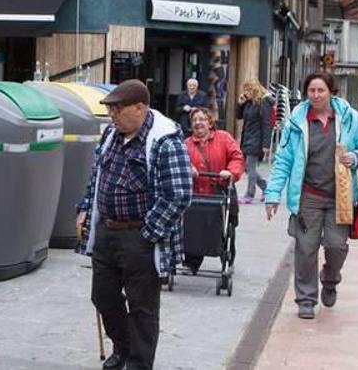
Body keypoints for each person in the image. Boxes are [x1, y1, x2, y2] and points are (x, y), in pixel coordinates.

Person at [76, 80, 192, 370]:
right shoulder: (111, 135)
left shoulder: (165, 139)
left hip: (139, 235)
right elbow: (97, 177)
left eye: (117, 109)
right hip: (106, 231)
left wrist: (147, 233)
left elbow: (178, 195)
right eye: (110, 109)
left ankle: (139, 363)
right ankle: (124, 347)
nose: (112, 115)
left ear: (140, 107)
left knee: (142, 308)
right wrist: (85, 211)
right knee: (102, 296)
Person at [264, 72, 358, 320]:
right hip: (308, 196)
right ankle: (306, 299)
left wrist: (355, 157)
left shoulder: (348, 117)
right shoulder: (297, 122)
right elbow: (283, 160)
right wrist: (272, 194)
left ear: (331, 92)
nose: (316, 95)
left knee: (336, 246)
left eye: (320, 90)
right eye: (311, 91)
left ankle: (330, 277)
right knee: (305, 248)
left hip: (341, 196)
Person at [182, 107, 243, 274]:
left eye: (201, 119)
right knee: (193, 227)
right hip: (196, 195)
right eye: (194, 120)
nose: (198, 123)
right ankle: (191, 262)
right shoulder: (186, 144)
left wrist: (230, 172)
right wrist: (188, 167)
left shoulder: (224, 138)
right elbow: (179, 161)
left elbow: (236, 157)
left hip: (220, 191)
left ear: (210, 122)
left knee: (225, 227)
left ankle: (227, 259)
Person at [237, 80, 272, 204]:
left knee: (250, 167)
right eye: (245, 90)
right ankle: (266, 188)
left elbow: (267, 124)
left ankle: (249, 194)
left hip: (257, 139)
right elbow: (239, 116)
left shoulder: (264, 103)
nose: (246, 93)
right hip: (247, 138)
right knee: (247, 168)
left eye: (248, 90)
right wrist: (240, 104)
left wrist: (266, 144)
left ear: (255, 90)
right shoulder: (248, 102)